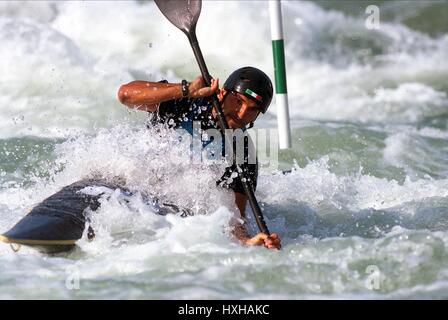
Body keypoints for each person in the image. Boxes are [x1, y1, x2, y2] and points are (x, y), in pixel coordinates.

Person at [118, 67, 281, 250]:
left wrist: (248, 241)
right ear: (221, 93)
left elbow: (234, 220)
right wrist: (185, 90)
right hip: (130, 184)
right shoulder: (186, 101)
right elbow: (125, 95)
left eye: (252, 110)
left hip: (169, 210)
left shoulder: (243, 153)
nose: (242, 113)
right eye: (238, 101)